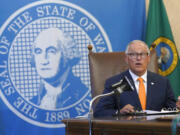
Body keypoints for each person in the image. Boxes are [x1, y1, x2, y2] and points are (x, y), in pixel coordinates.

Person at [94, 40, 180, 117]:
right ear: (126, 59)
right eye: (133, 54)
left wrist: (178, 107)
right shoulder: (115, 82)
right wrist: (119, 112)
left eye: (142, 54)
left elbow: (171, 110)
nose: (138, 58)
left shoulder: (162, 82)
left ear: (148, 58)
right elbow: (99, 111)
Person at [30, 27, 87, 109]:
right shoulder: (33, 103)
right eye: (38, 52)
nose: (44, 60)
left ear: (67, 54)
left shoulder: (83, 97)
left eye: (51, 51)